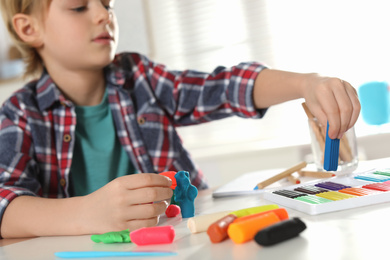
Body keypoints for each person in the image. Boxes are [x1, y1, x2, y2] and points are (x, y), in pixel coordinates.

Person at [0, 0, 360, 239]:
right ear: (28, 29)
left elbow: (220, 87)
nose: (102, 14)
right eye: (78, 6)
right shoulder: (19, 115)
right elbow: (4, 204)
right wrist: (87, 213)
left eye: (107, 4)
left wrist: (306, 83)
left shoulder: (140, 78)